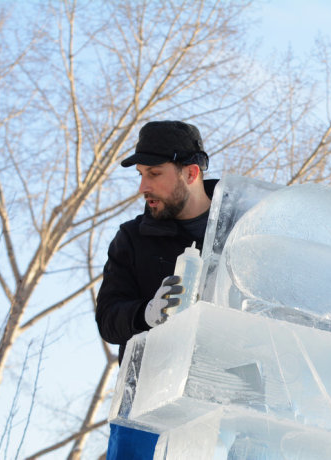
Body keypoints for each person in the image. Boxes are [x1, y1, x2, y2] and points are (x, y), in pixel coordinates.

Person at [95, 120, 218, 459]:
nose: (142, 187)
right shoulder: (132, 239)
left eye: (153, 174)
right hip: (144, 405)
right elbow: (108, 319)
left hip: (222, 405)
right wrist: (145, 313)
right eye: (140, 175)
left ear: (190, 174)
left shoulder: (241, 227)